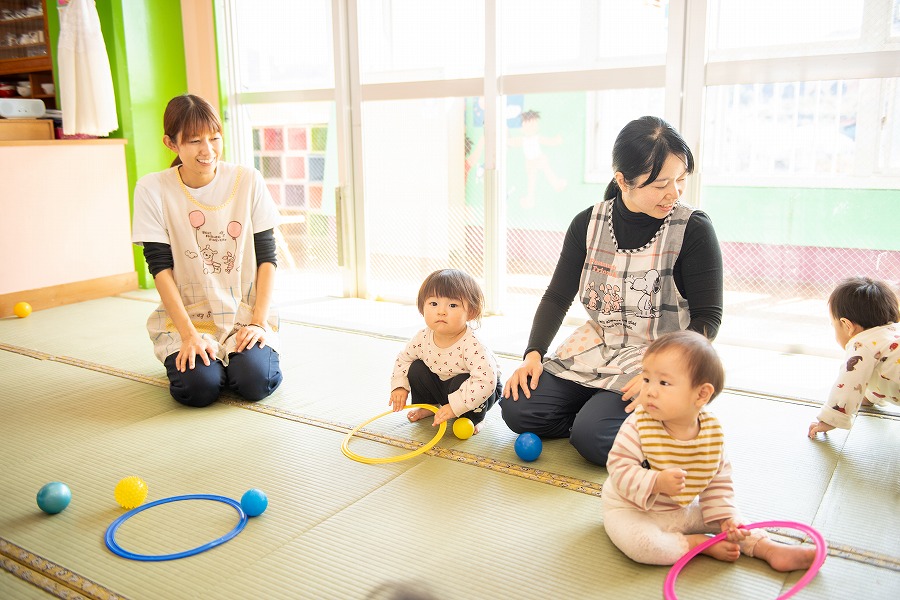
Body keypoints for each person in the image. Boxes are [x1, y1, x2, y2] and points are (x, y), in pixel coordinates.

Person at [501, 115, 723, 465]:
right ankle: (603, 416)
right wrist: (533, 355)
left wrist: (662, 375)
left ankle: (640, 424)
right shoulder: (588, 224)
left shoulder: (692, 229)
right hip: (597, 345)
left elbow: (709, 318)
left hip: (658, 358)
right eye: (661, 184)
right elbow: (557, 296)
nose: (674, 193)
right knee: (517, 408)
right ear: (622, 180)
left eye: (681, 180)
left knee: (593, 438)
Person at [603, 331, 818, 571]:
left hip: (680, 509)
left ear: (701, 394)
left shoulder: (710, 432)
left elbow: (717, 478)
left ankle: (767, 548)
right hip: (631, 509)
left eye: (663, 383)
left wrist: (726, 516)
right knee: (642, 545)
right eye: (646, 379)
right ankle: (696, 544)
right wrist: (656, 482)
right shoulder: (638, 425)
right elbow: (618, 469)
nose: (650, 391)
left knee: (734, 525)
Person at [131, 94, 283, 407]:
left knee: (256, 383)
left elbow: (268, 257)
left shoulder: (248, 180)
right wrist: (188, 336)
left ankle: (236, 363)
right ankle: (212, 366)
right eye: (194, 141)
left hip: (244, 312)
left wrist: (257, 322)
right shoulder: (152, 188)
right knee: (199, 390)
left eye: (214, 138)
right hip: (189, 317)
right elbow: (159, 267)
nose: (208, 150)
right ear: (171, 143)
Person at [390, 269, 502, 434]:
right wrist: (399, 387)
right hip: (444, 384)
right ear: (422, 307)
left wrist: (455, 407)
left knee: (461, 381)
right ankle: (430, 406)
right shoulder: (422, 337)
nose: (441, 311)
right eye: (433, 304)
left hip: (482, 390)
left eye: (452, 305)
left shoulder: (472, 345)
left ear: (470, 312)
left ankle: (476, 418)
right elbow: (404, 359)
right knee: (416, 368)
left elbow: (486, 382)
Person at [808, 276, 899, 438]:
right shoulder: (891, 336)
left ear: (847, 326)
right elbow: (884, 372)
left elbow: (848, 383)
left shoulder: (861, 344)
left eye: (833, 325)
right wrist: (869, 397)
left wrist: (830, 420)